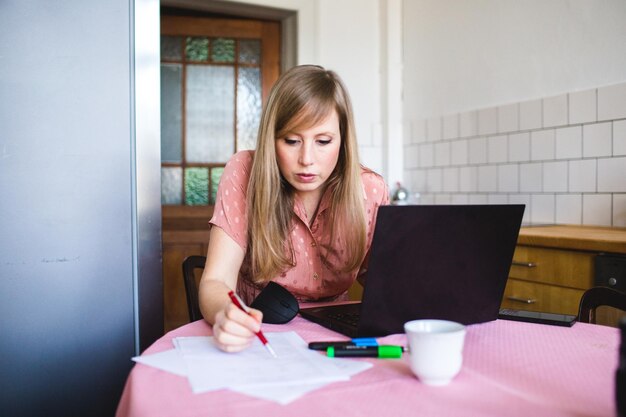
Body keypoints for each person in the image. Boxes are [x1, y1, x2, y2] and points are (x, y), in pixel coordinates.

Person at [198, 65, 389, 352]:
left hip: (335, 338)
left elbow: (382, 282)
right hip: (260, 333)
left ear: (343, 140)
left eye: (323, 141)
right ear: (270, 139)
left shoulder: (371, 189)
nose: (307, 159)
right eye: (291, 140)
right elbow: (216, 279)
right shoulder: (244, 172)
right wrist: (226, 312)